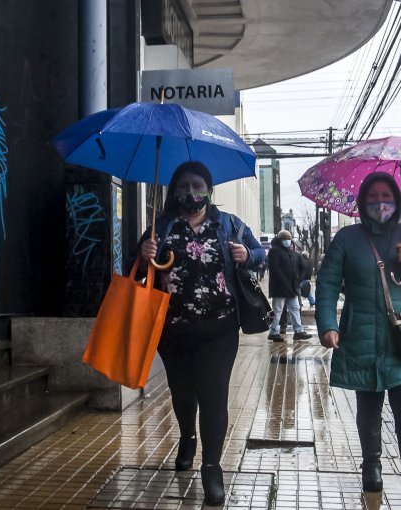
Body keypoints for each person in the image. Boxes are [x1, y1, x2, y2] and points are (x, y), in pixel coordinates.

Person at [137, 161, 265, 506]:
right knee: (182, 393)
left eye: (197, 186)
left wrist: (247, 254)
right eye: (183, 187)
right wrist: (143, 254)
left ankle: (211, 467)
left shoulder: (229, 225)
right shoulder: (159, 228)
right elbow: (133, 277)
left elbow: (261, 256)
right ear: (173, 192)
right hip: (172, 330)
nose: (190, 193)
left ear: (209, 190)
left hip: (220, 329)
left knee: (212, 394)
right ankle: (187, 436)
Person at [315, 172, 401, 502]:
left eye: (386, 195)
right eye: (373, 196)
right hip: (360, 334)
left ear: (397, 201)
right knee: (368, 406)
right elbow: (327, 284)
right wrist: (328, 325)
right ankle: (371, 467)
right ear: (362, 201)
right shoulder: (346, 238)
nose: (380, 202)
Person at [267, 230, 313, 342]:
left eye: (289, 238)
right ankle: (273, 332)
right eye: (285, 238)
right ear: (280, 239)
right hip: (280, 288)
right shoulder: (275, 251)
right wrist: (290, 281)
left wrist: (297, 279)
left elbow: (300, 268)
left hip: (291, 287)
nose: (287, 241)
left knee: (295, 308)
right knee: (278, 310)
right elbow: (275, 270)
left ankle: (298, 331)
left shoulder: (291, 252)